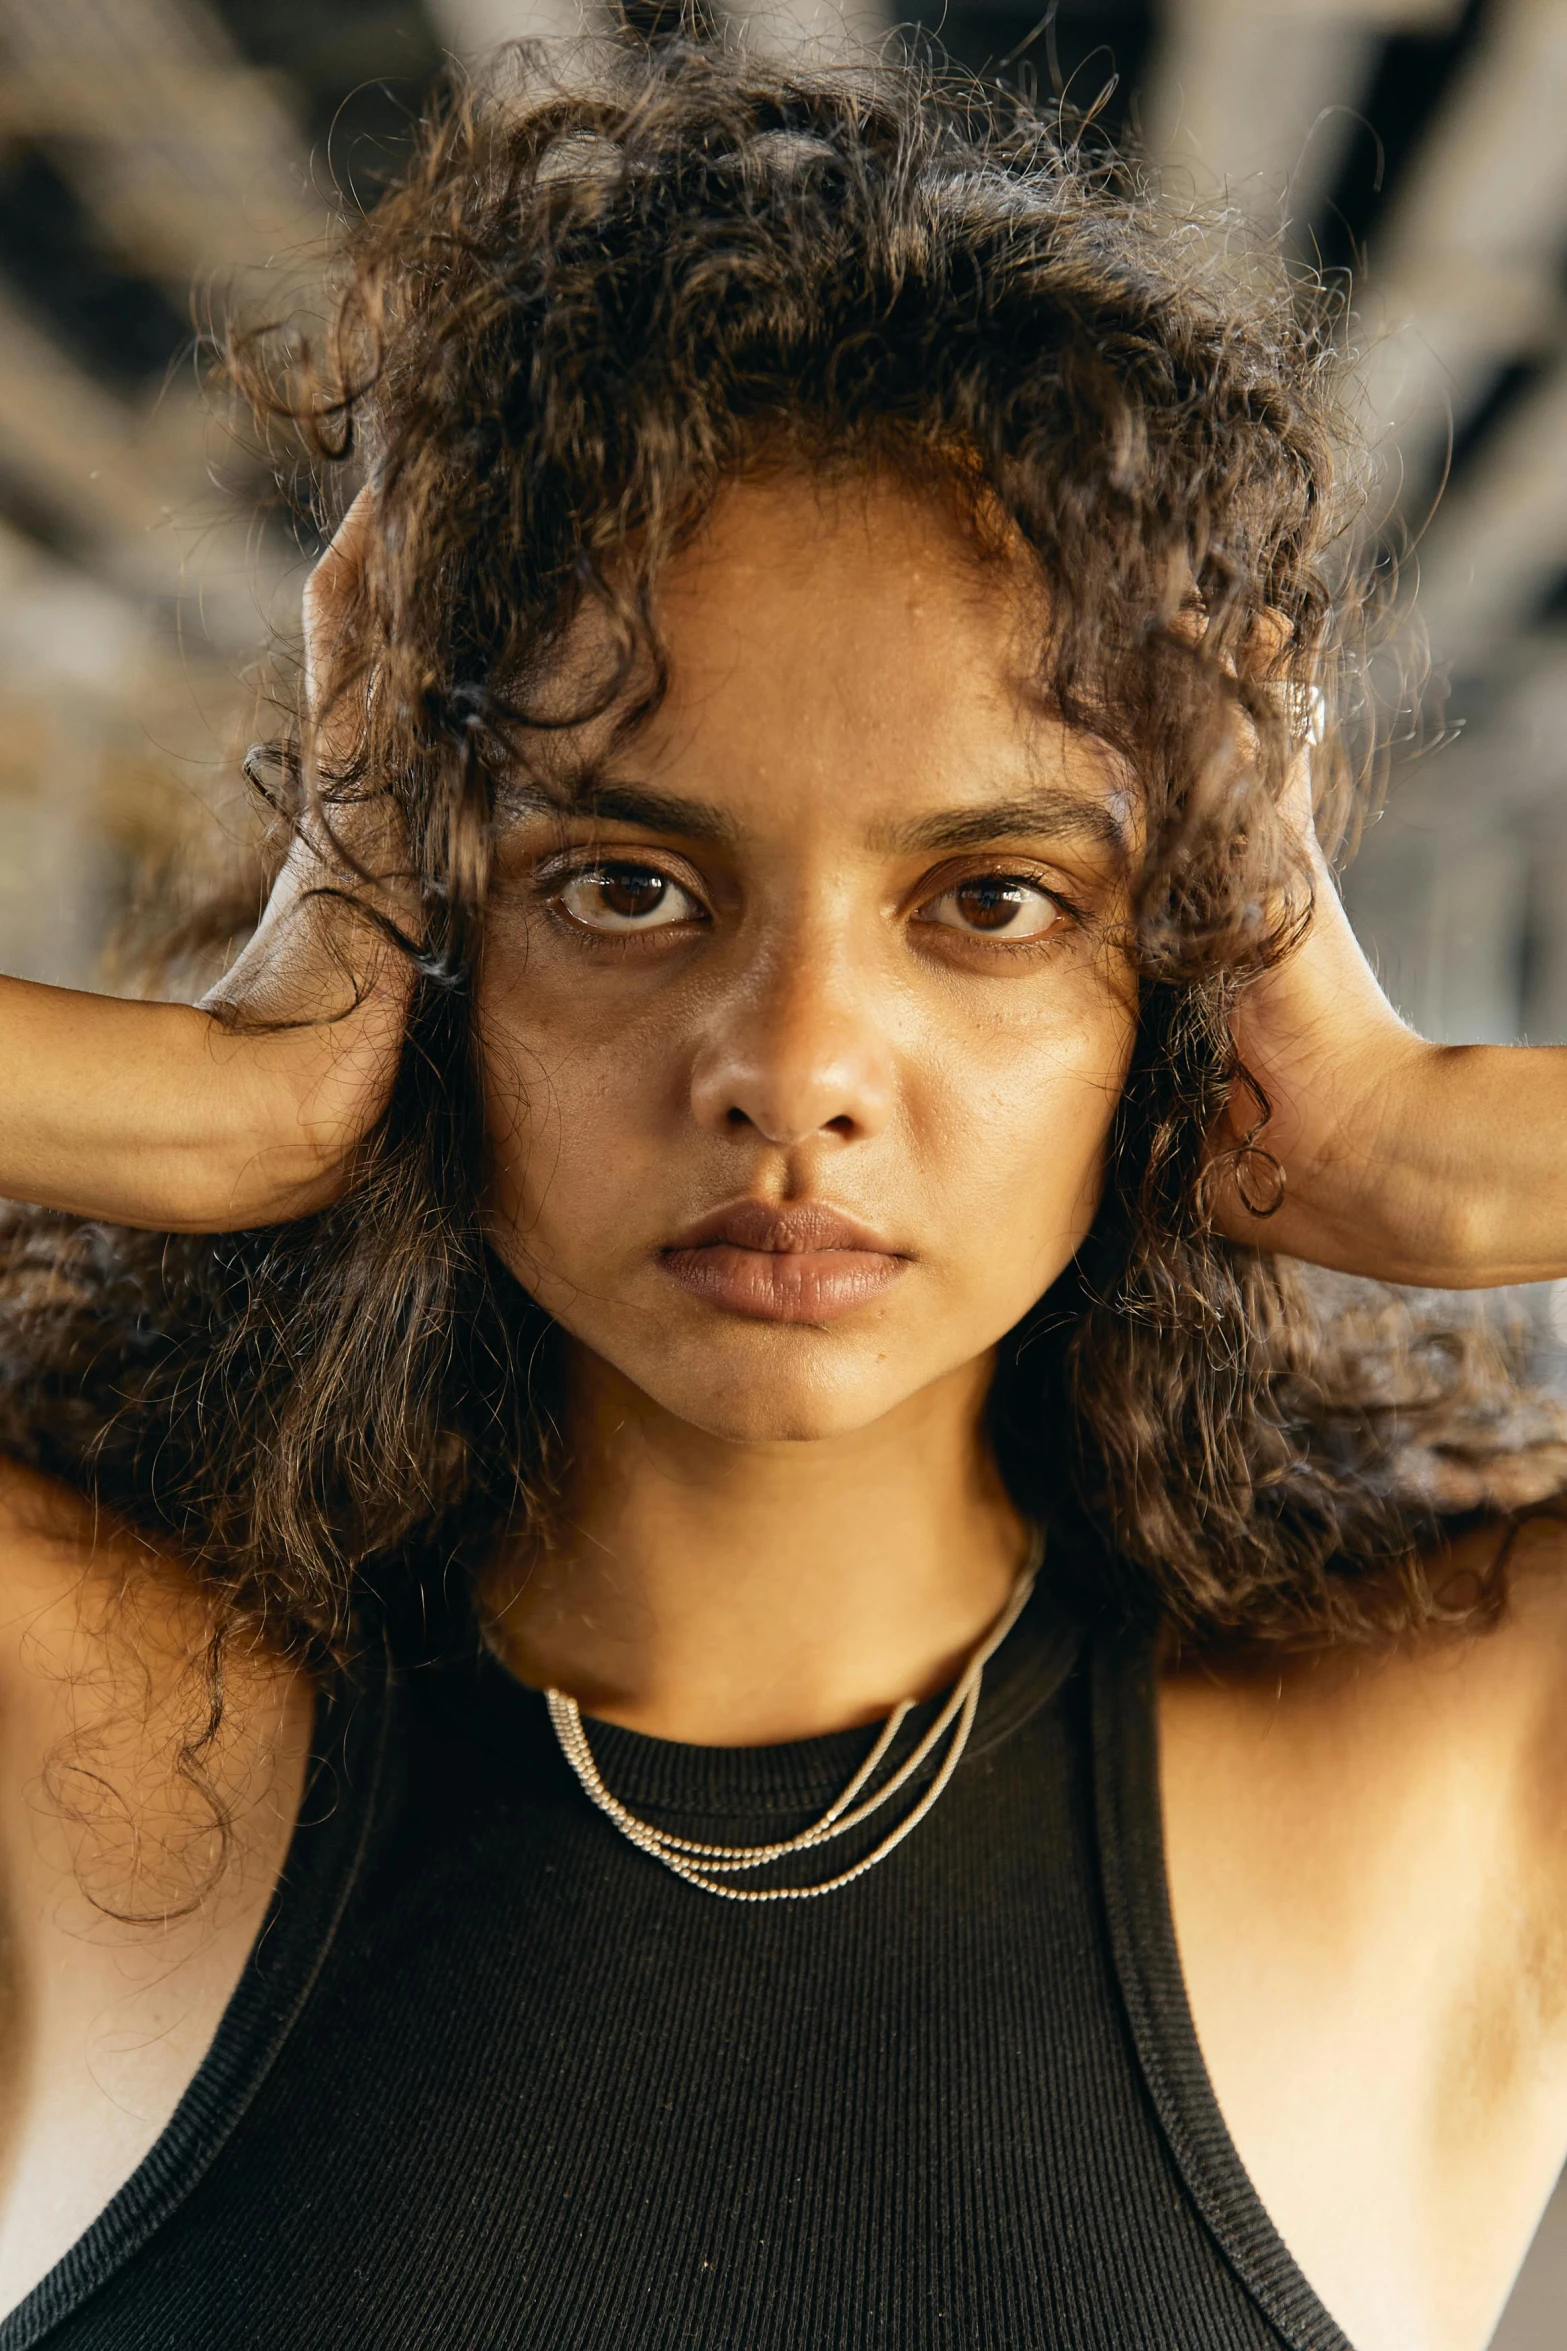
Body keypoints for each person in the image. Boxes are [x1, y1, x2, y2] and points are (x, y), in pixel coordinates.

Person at [0, 40, 1564, 2351]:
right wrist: (222, 1101)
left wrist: (1417, 1138)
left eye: (995, 900)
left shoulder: (1462, 1742)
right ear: (429, 923)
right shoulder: (78, 1709)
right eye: (629, 883)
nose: (798, 1070)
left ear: (1181, 974)